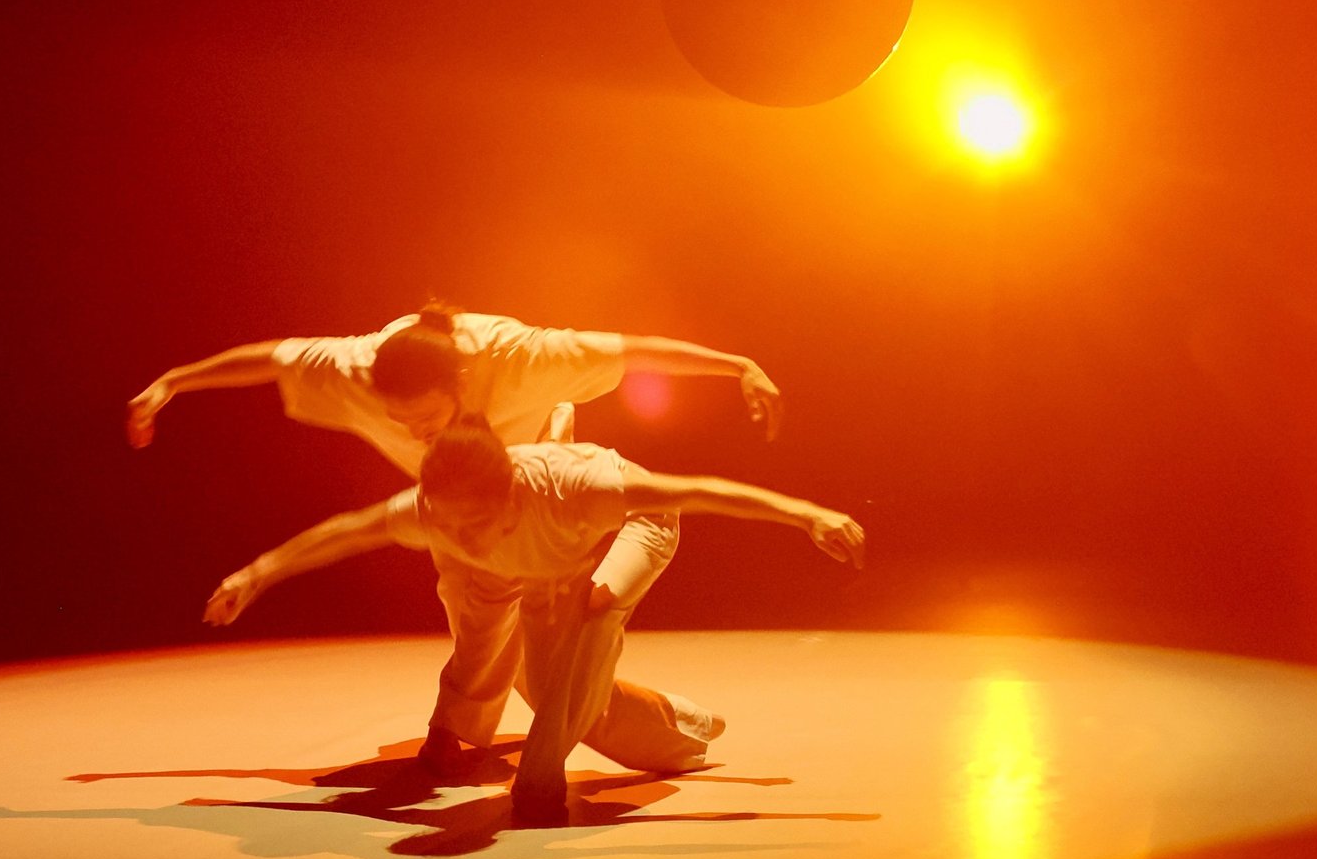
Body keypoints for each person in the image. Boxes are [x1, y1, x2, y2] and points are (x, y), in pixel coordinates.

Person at [126, 303, 784, 619]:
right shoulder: (356, 367)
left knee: (545, 589)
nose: (414, 432)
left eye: (425, 418)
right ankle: (466, 718)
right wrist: (173, 383)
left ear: (463, 384)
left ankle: (557, 436)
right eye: (400, 422)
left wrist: (738, 368)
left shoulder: (523, 358)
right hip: (461, 494)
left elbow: (636, 347)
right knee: (472, 592)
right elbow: (267, 357)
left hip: (532, 468)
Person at [414, 416, 864, 824]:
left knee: (591, 622)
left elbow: (698, 492)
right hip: (566, 544)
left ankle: (538, 784)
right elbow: (363, 528)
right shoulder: (446, 503)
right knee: (548, 684)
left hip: (644, 525)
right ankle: (680, 724)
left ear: (504, 496)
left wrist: (809, 515)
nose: (459, 538)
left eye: (469, 525)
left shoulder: (583, 485)